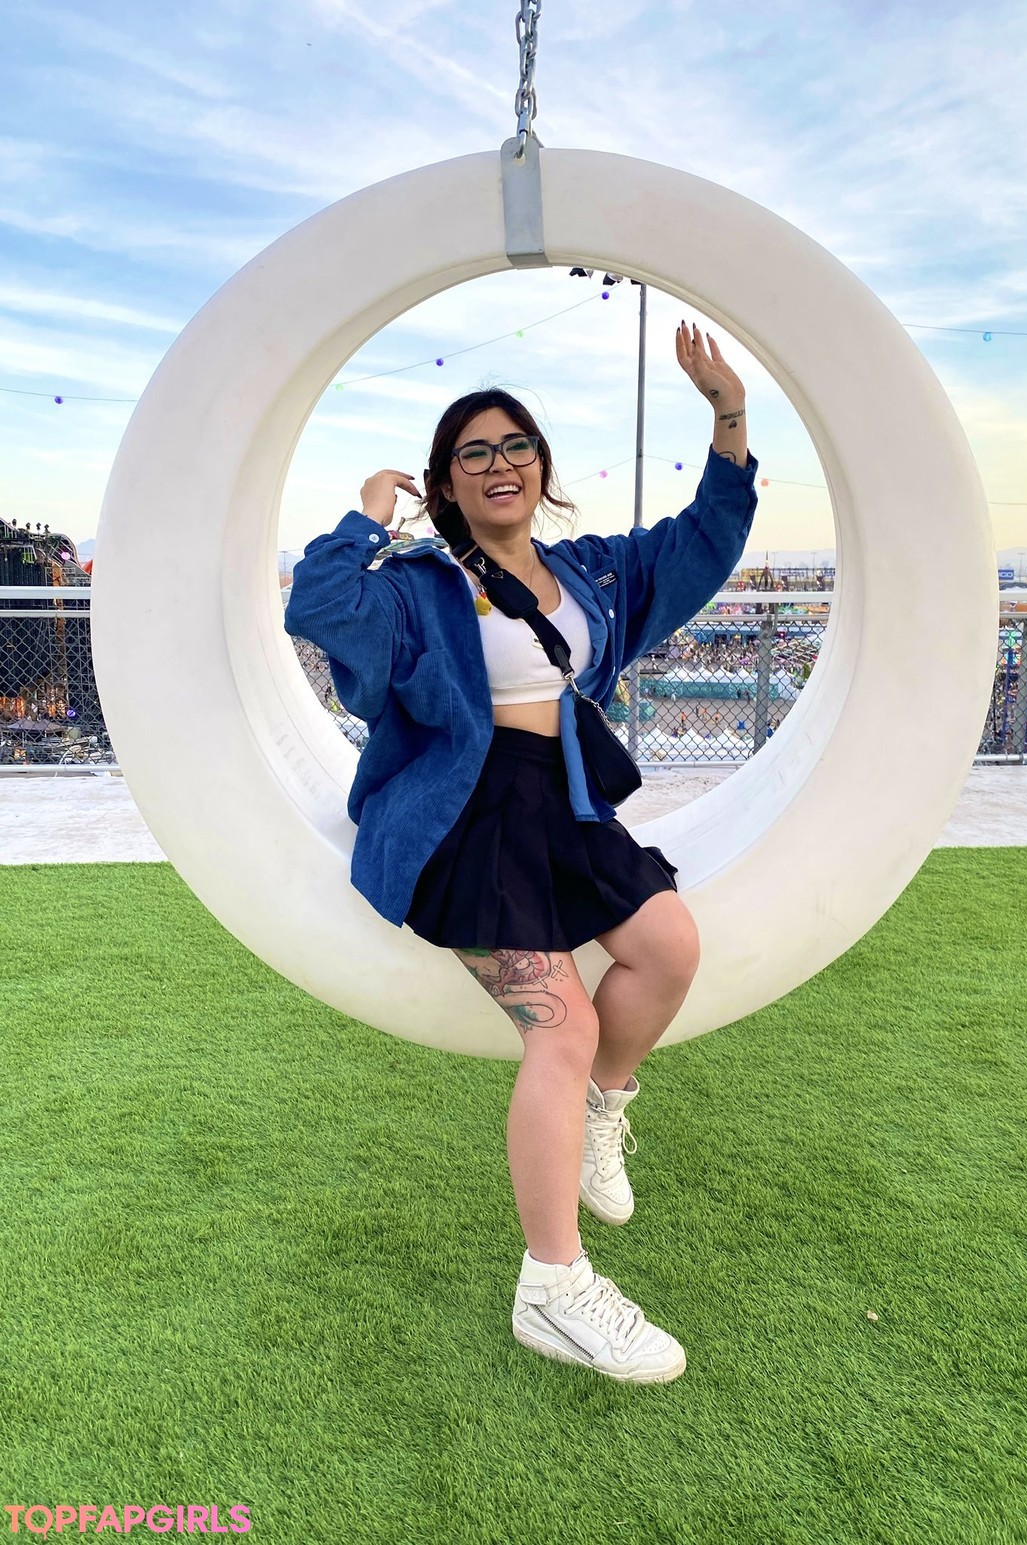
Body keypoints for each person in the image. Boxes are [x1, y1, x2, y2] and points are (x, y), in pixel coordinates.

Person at [284, 321, 758, 1385]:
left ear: (541, 465)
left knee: (670, 948)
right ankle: (552, 1285)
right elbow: (317, 606)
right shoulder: (417, 582)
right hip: (465, 815)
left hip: (567, 801)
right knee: (562, 1023)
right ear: (446, 483)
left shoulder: (588, 572)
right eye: (475, 452)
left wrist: (727, 415)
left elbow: (702, 540)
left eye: (516, 445)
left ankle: (602, 1105)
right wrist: (366, 516)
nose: (500, 463)